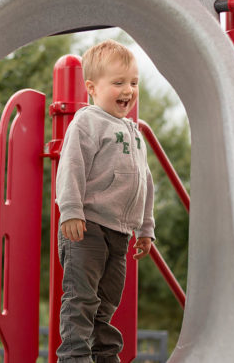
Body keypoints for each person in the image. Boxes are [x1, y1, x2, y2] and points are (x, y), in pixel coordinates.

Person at [55, 39, 155, 363]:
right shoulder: (88, 122)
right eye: (118, 83)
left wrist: (145, 228)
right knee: (81, 299)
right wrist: (70, 210)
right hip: (87, 227)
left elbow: (145, 180)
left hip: (120, 233)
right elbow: (71, 165)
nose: (128, 90)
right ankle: (74, 357)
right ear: (92, 88)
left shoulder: (134, 131)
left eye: (134, 83)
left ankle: (104, 356)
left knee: (107, 302)